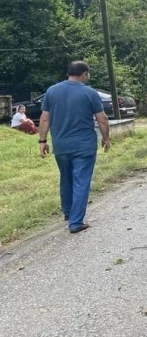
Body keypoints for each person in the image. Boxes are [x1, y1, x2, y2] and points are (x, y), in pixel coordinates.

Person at [38, 61, 111, 234]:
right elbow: (102, 119)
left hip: (61, 145)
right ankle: (76, 222)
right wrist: (106, 138)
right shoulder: (89, 93)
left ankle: (68, 212)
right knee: (81, 181)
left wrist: (42, 141)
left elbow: (44, 119)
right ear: (84, 74)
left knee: (66, 178)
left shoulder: (52, 91)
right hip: (84, 146)